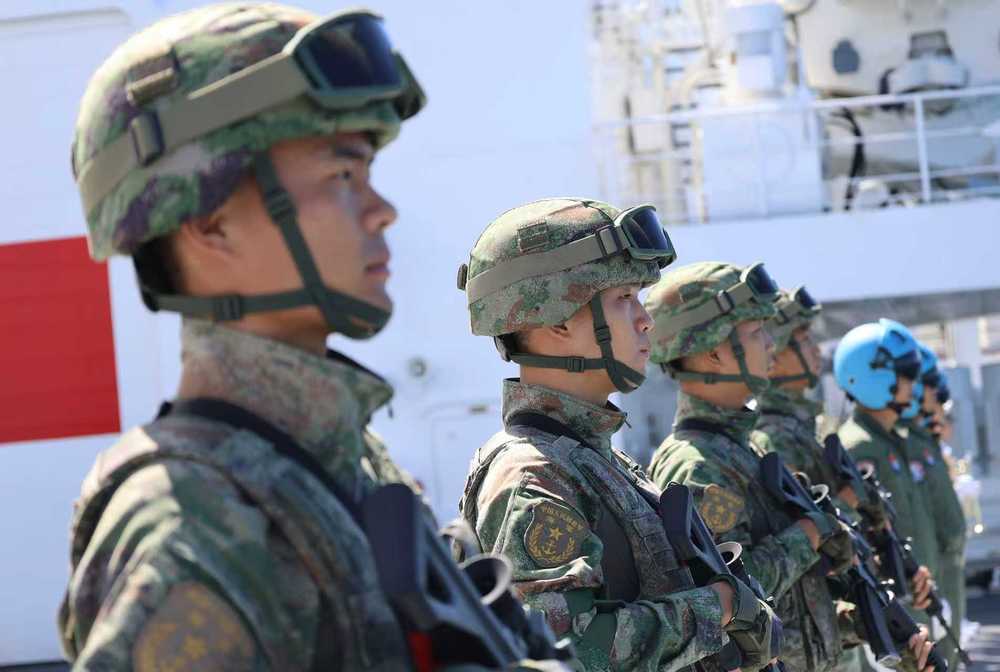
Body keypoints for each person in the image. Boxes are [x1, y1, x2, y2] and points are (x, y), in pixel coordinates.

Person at [58, 5, 564, 670]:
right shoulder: (190, 527)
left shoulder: (337, 460)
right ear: (210, 224)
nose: (383, 212)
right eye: (342, 176)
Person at [456, 200, 780, 671]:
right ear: (557, 319)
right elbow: (574, 650)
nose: (645, 319)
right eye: (624, 298)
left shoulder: (593, 460)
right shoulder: (532, 475)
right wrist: (721, 607)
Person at [645, 261, 859, 672]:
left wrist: (853, 623)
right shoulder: (699, 467)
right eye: (757, 331)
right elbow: (730, 596)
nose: (771, 344)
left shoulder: (742, 450)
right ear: (713, 352)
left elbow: (789, 606)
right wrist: (809, 534)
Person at [833, 320, 937, 633]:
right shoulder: (858, 446)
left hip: (914, 588)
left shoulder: (888, 440)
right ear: (875, 379)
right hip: (892, 601)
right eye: (907, 373)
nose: (913, 383)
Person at [908, 348, 967, 669]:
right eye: (927, 384)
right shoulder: (904, 446)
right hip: (928, 575)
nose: (935, 394)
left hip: (944, 567)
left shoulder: (923, 442)